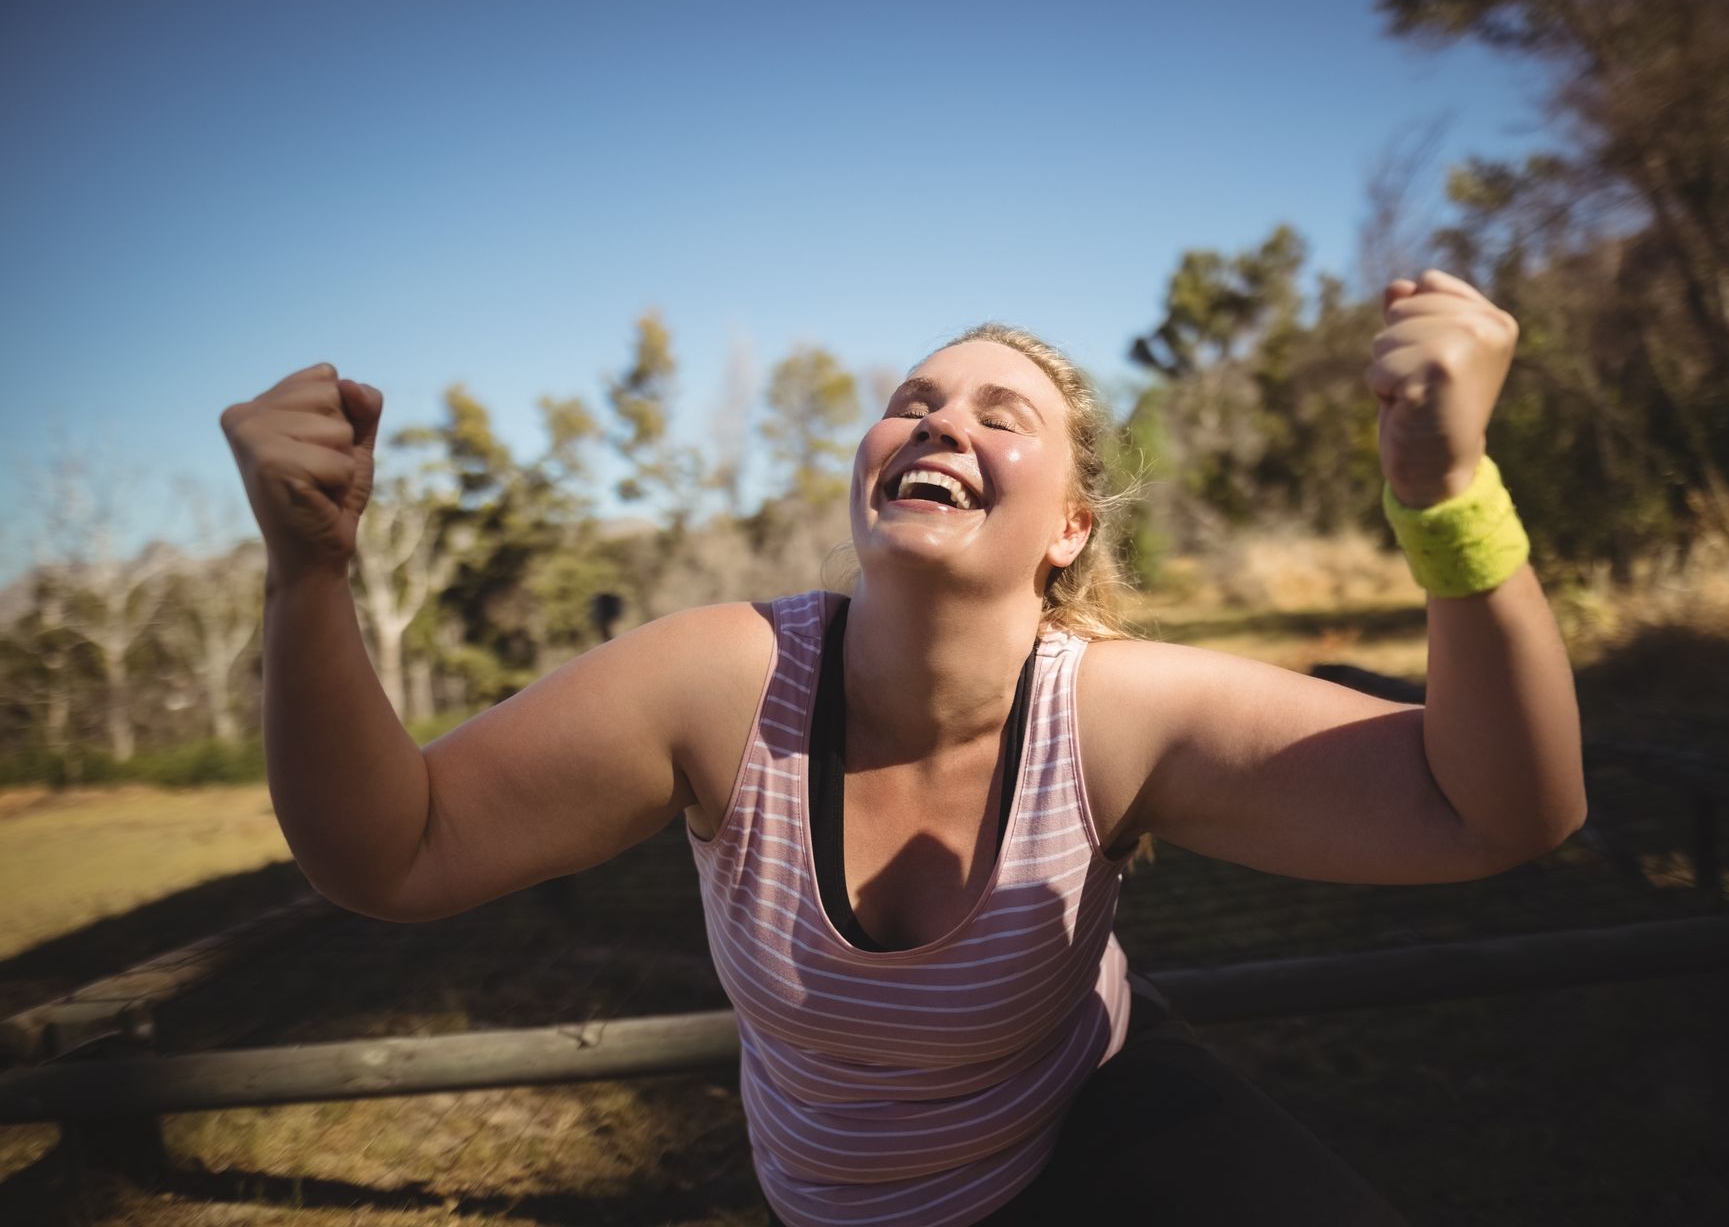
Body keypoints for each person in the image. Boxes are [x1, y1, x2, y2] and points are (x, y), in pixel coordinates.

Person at [219, 268, 1586, 1225]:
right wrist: (306, 573)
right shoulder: (725, 682)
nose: (942, 419)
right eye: (918, 399)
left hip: (1102, 1123)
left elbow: (1495, 810)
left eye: (1003, 414)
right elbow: (397, 852)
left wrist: (1447, 497)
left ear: (1070, 530)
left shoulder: (1111, 713)